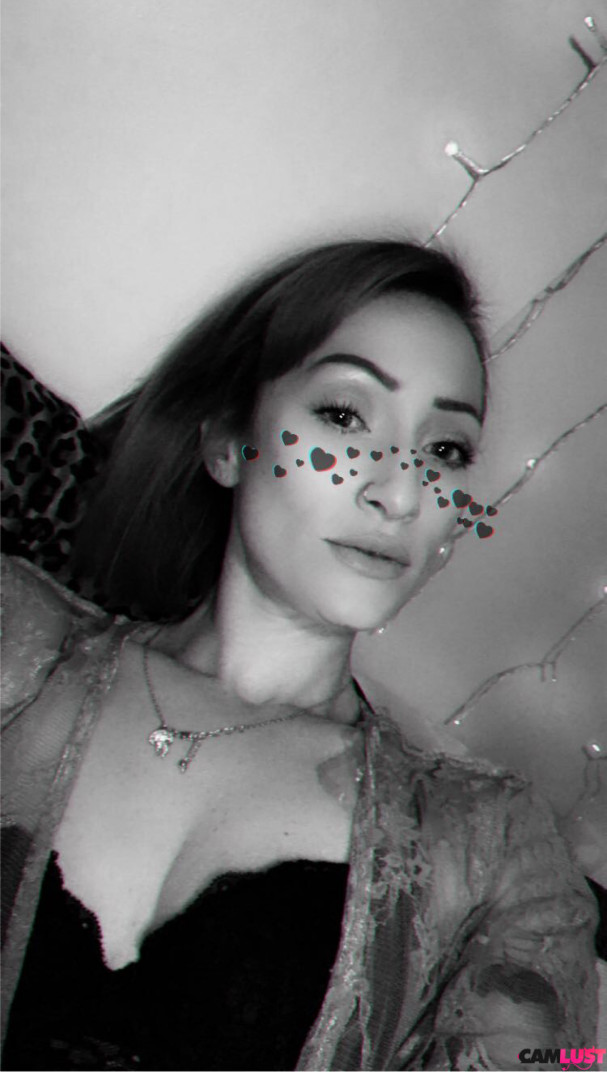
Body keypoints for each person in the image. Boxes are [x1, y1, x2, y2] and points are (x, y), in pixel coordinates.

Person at [1, 240, 598, 1070]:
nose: (399, 492)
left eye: (444, 451)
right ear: (226, 441)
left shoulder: (496, 853)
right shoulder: (17, 648)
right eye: (346, 416)